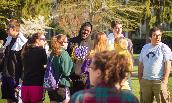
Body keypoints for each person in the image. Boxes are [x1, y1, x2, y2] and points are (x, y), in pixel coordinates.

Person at [70, 51, 139, 103]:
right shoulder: (129, 99)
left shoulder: (80, 98)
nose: (88, 70)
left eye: (90, 67)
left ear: (98, 72)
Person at [138, 27, 171, 103]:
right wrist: (140, 79)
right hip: (145, 81)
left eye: (159, 35)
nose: (158, 37)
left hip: (159, 81)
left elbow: (168, 64)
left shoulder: (164, 48)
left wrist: (165, 81)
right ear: (150, 37)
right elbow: (140, 64)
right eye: (155, 35)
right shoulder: (145, 47)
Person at [0, 19, 27, 103]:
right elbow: (4, 58)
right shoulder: (8, 40)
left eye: (8, 29)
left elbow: (24, 62)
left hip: (15, 76)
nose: (6, 30)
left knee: (17, 100)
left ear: (14, 29)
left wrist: (21, 79)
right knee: (8, 99)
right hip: (6, 75)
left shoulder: (23, 43)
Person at [67, 22, 94, 94]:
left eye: (88, 31)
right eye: (84, 30)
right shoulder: (72, 41)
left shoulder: (92, 44)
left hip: (83, 79)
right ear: (81, 29)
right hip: (71, 77)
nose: (85, 32)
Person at [21, 32, 47, 103]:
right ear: (37, 40)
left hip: (25, 85)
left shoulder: (26, 51)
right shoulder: (41, 51)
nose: (45, 41)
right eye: (43, 39)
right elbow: (45, 63)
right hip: (36, 84)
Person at [48, 34, 73, 103]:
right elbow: (66, 72)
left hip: (51, 84)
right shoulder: (64, 53)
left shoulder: (52, 53)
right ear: (62, 43)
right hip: (62, 84)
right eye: (66, 41)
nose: (68, 43)